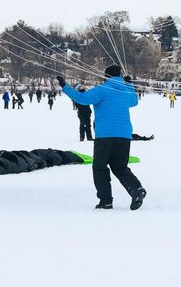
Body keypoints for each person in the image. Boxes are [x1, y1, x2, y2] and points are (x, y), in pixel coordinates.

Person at [57, 65, 146, 211]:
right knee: (120, 167)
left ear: (106, 76)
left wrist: (65, 86)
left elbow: (81, 99)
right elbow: (134, 101)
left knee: (99, 167)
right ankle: (136, 189)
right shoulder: (125, 91)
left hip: (105, 135)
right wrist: (129, 84)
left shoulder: (103, 90)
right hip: (124, 136)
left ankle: (106, 201)